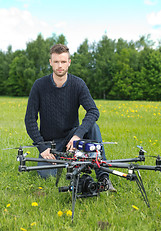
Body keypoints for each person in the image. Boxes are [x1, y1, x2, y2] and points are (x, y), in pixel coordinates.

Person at [25, 44, 116, 191]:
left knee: (92, 127)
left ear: (69, 62)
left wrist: (77, 136)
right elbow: (30, 120)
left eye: (63, 61)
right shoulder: (39, 86)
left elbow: (93, 111)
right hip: (51, 144)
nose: (59, 66)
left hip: (72, 140)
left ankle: (103, 177)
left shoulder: (78, 84)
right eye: (56, 62)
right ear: (50, 62)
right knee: (47, 176)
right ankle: (71, 163)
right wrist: (42, 147)